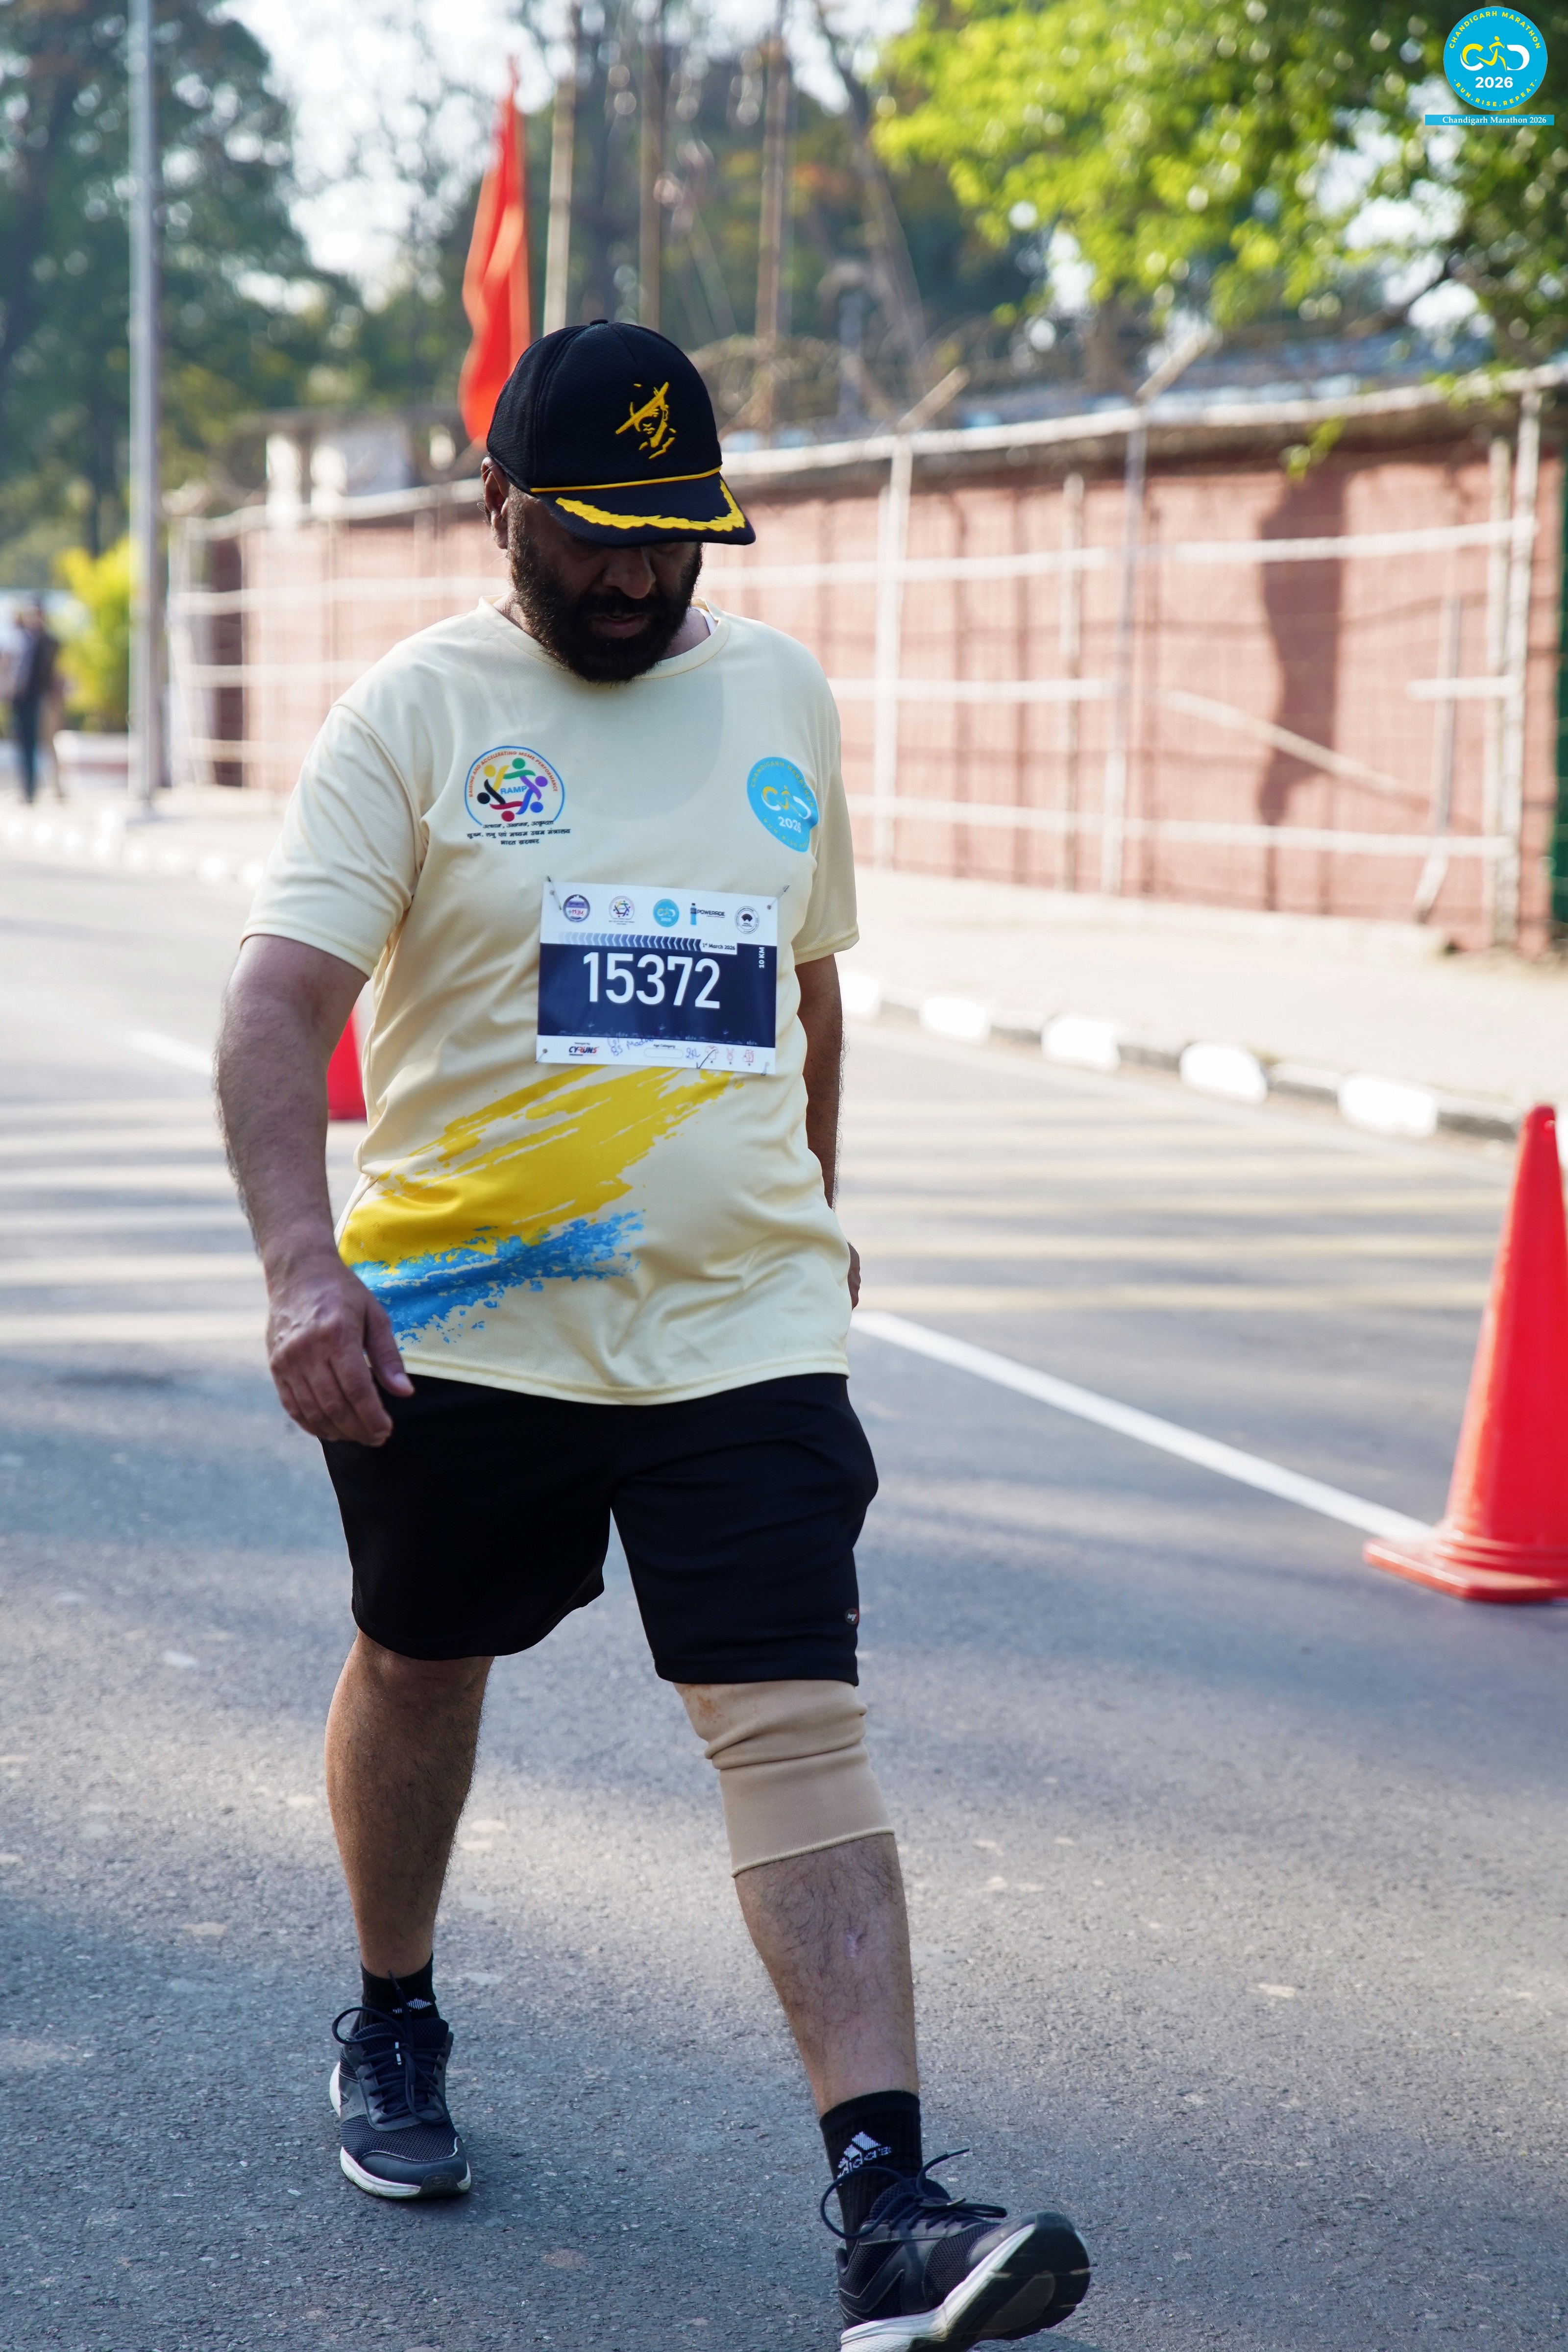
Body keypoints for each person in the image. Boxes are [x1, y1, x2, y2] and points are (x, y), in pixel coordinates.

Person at [216, 321, 1090, 2352]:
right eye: (591, 536)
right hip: (468, 1329)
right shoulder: (417, 710)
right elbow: (274, 1007)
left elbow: (808, 987)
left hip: (740, 1330)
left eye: (670, 537)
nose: (630, 576)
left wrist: (816, 1217)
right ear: (498, 509)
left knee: (791, 1713)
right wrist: (300, 1271)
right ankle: (393, 2009)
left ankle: (887, 2203)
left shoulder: (779, 691)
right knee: (421, 1659)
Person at [8, 599, 59, 804]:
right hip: (19, 699)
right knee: (22, 745)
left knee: (43, 744)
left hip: (39, 699)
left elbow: (53, 673)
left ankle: (45, 789)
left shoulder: (48, 642)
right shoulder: (21, 639)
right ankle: (26, 789)